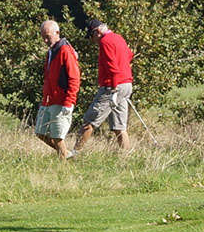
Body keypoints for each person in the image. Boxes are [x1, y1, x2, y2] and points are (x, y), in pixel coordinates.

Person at [72, 19, 133, 155]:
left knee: (89, 121)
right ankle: (126, 157)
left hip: (112, 87)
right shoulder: (118, 37)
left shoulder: (105, 41)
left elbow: (112, 67)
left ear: (97, 31)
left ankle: (74, 155)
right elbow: (129, 54)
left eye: (92, 36)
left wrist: (114, 87)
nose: (93, 41)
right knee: (120, 126)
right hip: (126, 85)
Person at [35, 19, 80, 160]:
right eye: (43, 37)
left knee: (57, 137)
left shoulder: (65, 50)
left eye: (48, 37)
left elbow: (74, 78)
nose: (45, 40)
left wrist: (69, 101)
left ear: (57, 33)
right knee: (40, 132)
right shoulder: (51, 52)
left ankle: (64, 164)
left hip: (61, 101)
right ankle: (66, 154)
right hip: (48, 100)